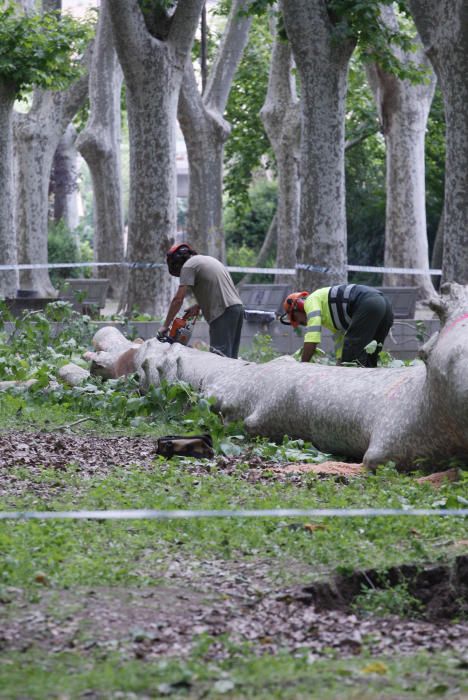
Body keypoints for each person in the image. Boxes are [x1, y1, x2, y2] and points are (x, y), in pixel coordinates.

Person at [160, 242, 244, 359]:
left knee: (219, 359)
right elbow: (219, 288)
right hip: (237, 308)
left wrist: (165, 326)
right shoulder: (206, 260)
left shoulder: (188, 266)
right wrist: (199, 306)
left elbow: (178, 300)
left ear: (176, 264)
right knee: (231, 359)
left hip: (222, 311)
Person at [281, 284, 393, 367]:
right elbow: (341, 342)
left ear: (297, 307)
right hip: (384, 305)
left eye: (296, 319)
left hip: (369, 303)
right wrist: (339, 364)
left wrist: (303, 366)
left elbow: (312, 337)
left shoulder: (311, 301)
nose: (301, 323)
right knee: (369, 358)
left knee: (351, 363)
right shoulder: (331, 316)